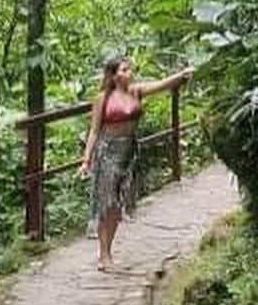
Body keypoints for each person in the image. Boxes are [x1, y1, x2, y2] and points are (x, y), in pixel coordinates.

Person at [78, 56, 193, 271]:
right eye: (124, 69)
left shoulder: (136, 91)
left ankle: (108, 250)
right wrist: (86, 160)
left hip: (129, 150)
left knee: (118, 205)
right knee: (106, 201)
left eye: (130, 69)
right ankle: (104, 255)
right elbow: (94, 130)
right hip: (108, 151)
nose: (129, 72)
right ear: (114, 75)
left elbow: (161, 85)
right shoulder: (103, 98)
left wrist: (181, 75)